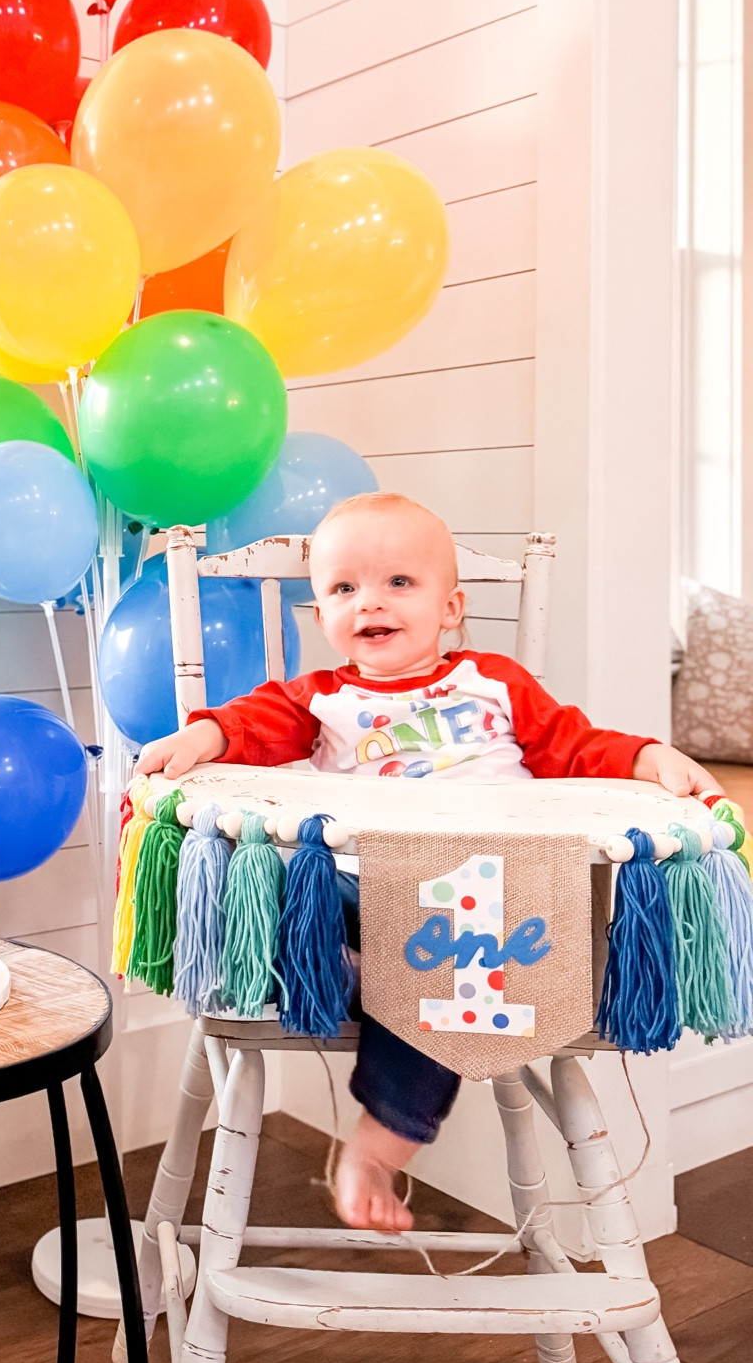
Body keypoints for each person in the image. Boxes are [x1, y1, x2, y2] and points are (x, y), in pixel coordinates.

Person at [136, 491, 717, 1232]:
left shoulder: (495, 684)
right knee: (269, 892)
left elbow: (576, 745)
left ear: (451, 608)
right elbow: (251, 724)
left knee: (448, 984)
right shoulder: (323, 699)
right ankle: (345, 974)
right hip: (360, 886)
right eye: (344, 589)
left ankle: (379, 1147)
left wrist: (648, 756)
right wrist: (204, 740)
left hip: (475, 898)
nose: (368, 602)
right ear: (322, 618)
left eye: (398, 584)